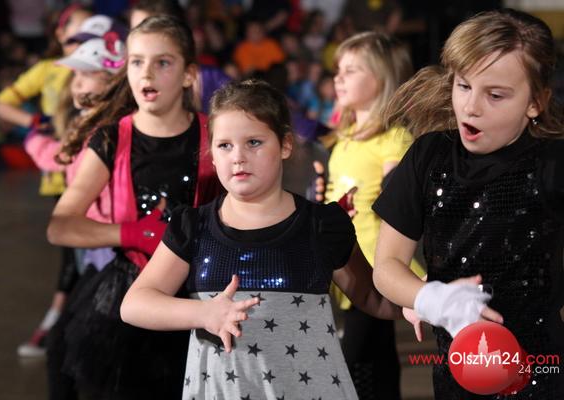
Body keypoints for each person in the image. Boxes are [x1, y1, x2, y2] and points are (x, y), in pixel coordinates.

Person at [120, 79, 403, 400]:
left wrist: (420, 299)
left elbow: (373, 298)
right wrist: (204, 313)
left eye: (253, 142)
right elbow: (135, 304)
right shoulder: (193, 227)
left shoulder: (322, 225)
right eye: (224, 145)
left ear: (285, 145)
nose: (238, 157)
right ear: (212, 154)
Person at [372, 9, 564, 399]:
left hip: (542, 371)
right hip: (455, 374)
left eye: (495, 95)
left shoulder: (552, 164)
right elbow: (387, 266)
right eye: (463, 86)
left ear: (536, 102)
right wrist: (430, 298)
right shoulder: (428, 155)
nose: (471, 106)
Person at [46, 15, 220, 399]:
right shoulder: (112, 140)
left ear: (189, 75)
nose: (147, 73)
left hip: (198, 298)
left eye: (163, 62)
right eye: (137, 61)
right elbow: (60, 226)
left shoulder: (216, 136)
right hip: (125, 297)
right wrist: (131, 233)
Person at [321, 31, 425, 400]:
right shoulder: (343, 139)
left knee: (352, 360)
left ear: (380, 79)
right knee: (376, 356)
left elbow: (400, 204)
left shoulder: (394, 139)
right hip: (345, 265)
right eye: (338, 70)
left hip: (374, 268)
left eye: (351, 70)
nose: (338, 78)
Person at [24, 33, 125, 400]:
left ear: (112, 80)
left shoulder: (104, 129)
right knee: (71, 349)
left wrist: (33, 139)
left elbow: (61, 158)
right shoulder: (91, 121)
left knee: (73, 351)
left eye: (86, 75)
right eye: (75, 75)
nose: (76, 83)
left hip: (111, 250)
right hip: (98, 246)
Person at [0, 3, 92, 358]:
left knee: (84, 259)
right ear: (60, 34)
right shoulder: (48, 70)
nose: (85, 40)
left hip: (93, 171)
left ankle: (61, 327)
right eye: (77, 33)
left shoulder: (101, 67)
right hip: (61, 176)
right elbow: (2, 104)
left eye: (93, 32)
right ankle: (58, 328)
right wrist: (34, 123)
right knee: (74, 257)